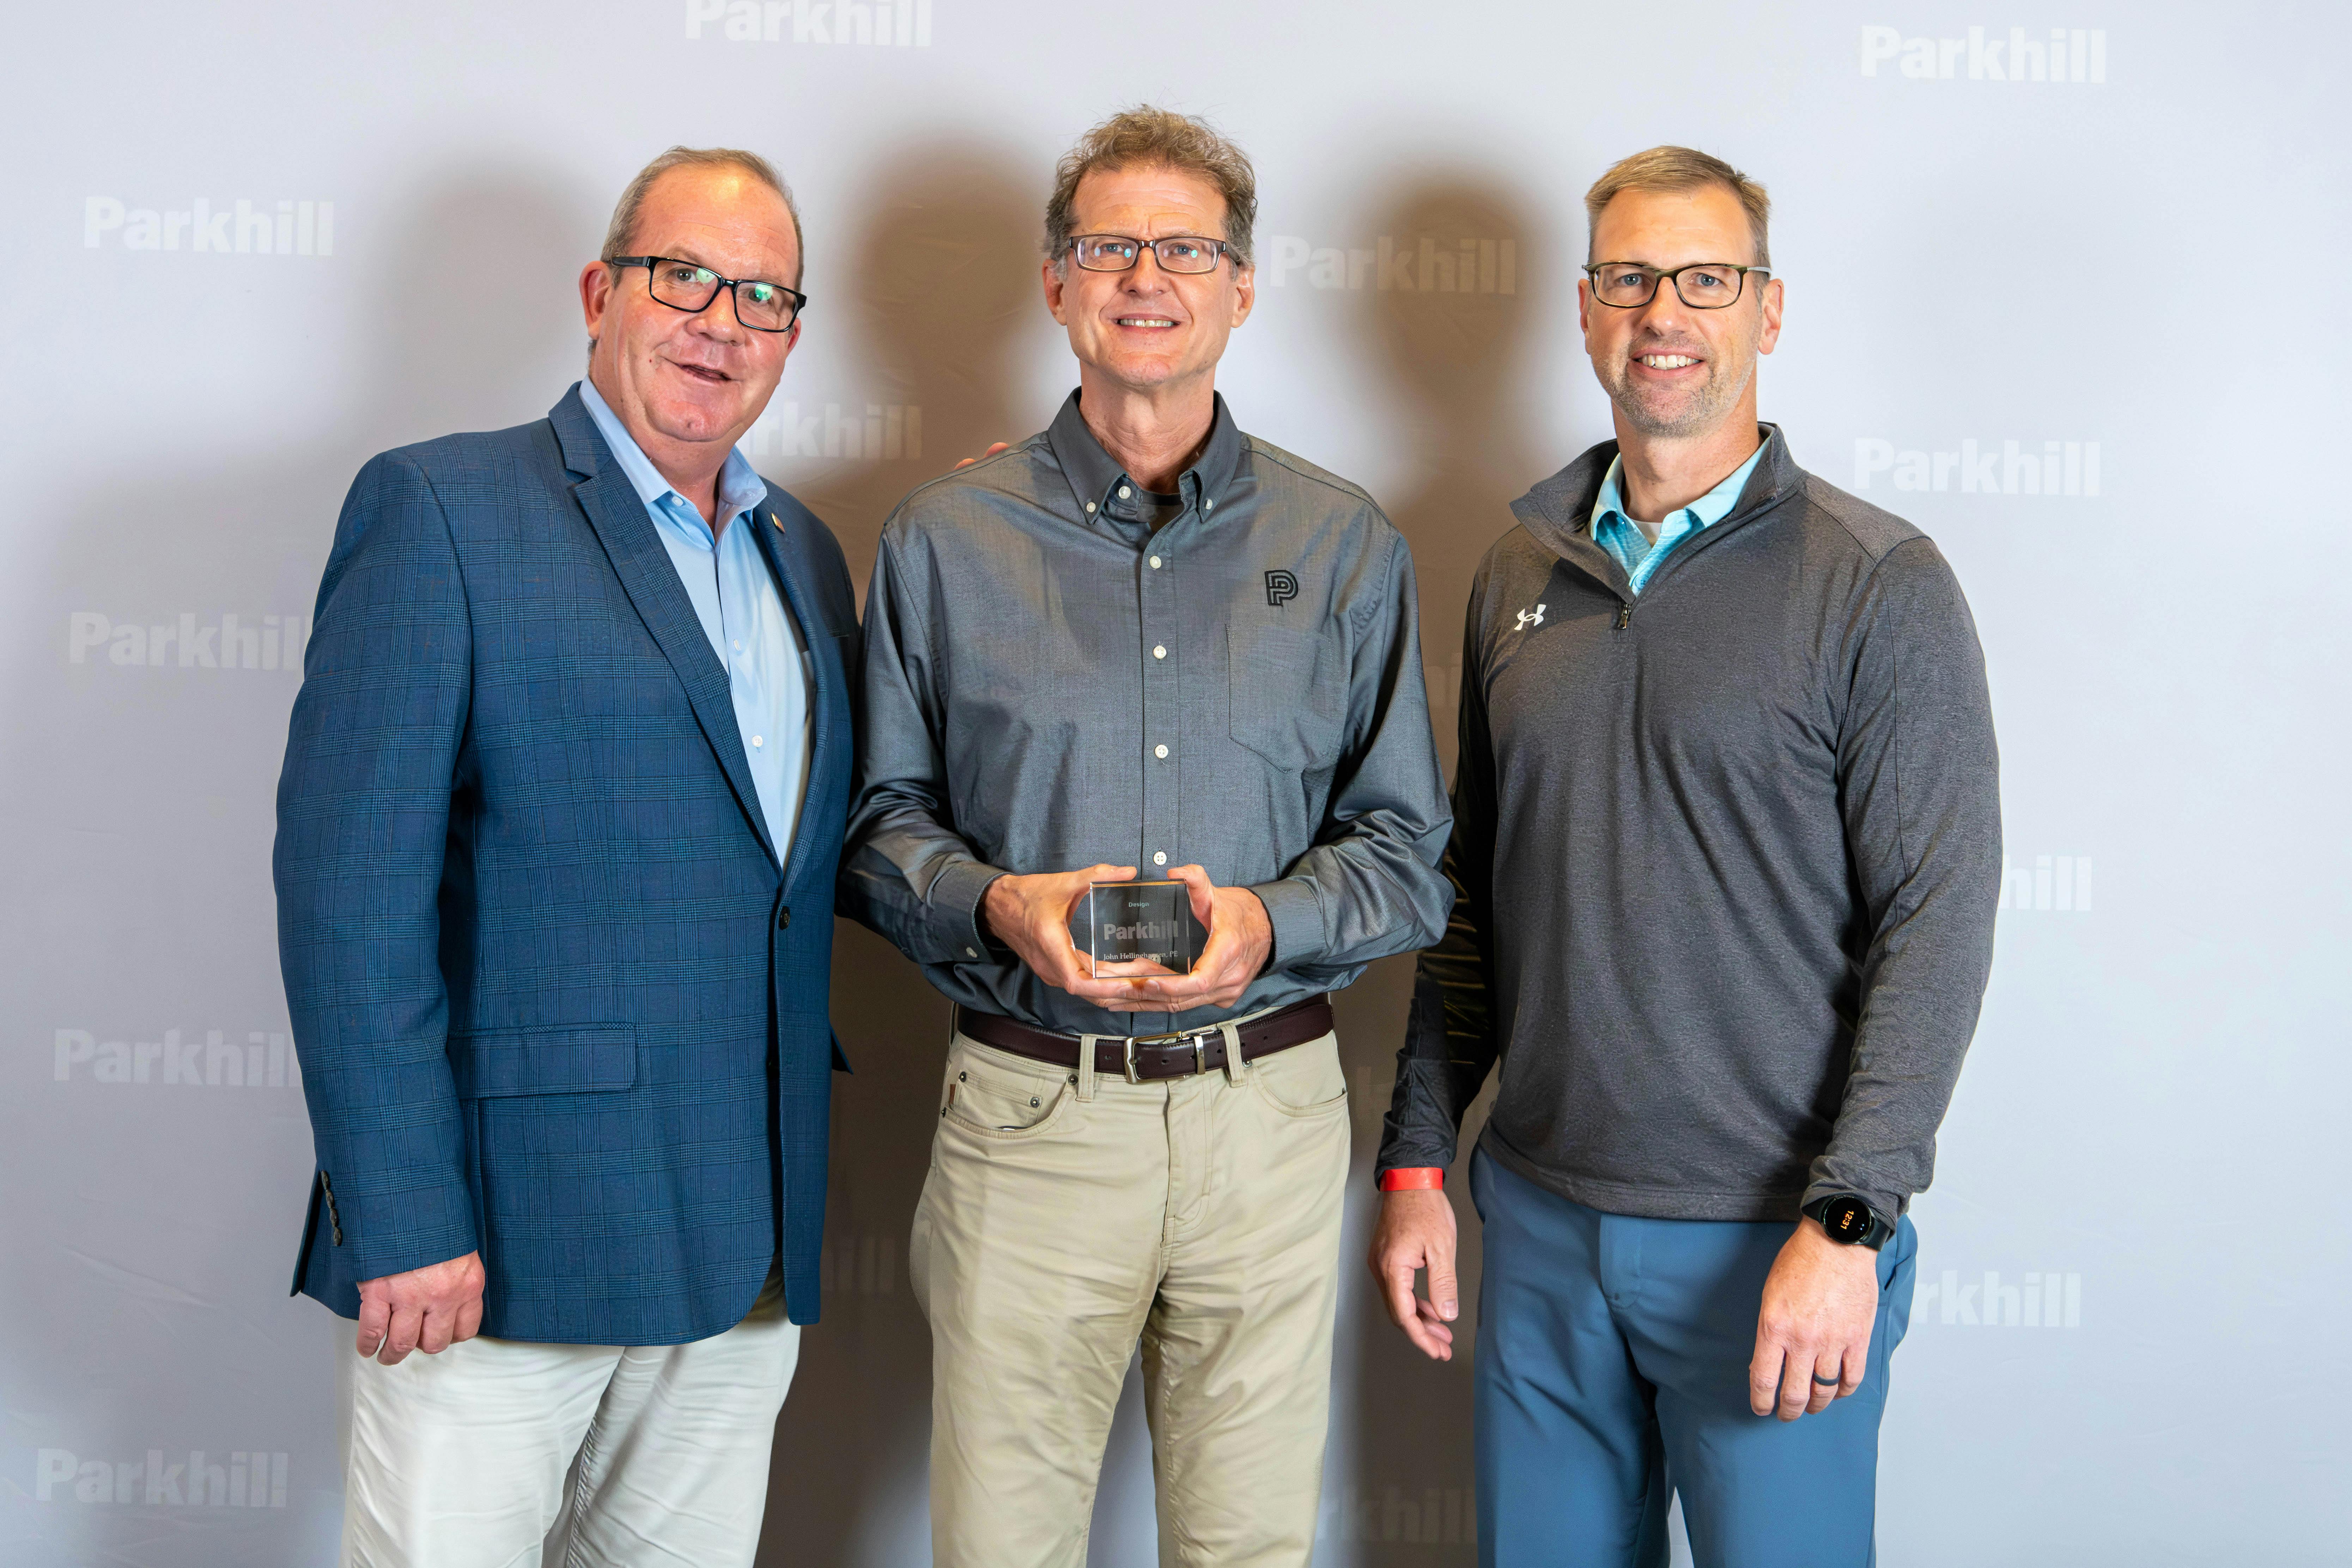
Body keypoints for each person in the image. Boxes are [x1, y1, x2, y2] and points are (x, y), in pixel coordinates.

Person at [1368, 146, 2000, 1567]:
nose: (1666, 312)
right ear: (1586, 309)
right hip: (1539, 1224)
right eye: (1632, 278)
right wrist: (1416, 1160)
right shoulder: (1516, 571)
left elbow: (1938, 921)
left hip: (1772, 1239)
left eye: (1707, 279)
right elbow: (1470, 897)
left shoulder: (1878, 583)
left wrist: (1851, 1219)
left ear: (1768, 310)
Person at [842, 107, 1452, 1568]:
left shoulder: (1346, 545)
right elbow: (873, 831)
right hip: (1030, 1118)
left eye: (1186, 248)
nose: (1146, 277)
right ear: (1055, 281)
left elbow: (1407, 854)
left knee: (1248, 1552)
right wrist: (997, 905)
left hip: (1269, 1120)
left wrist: (1268, 924)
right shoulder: (942, 540)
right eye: (1111, 245)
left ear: (1242, 286)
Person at [273, 145, 858, 1567]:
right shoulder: (442, 511)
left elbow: (796, 874)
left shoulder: (807, 554)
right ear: (602, 293)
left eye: (763, 296)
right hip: (498, 1243)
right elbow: (349, 899)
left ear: (791, 334)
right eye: (684, 277)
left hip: (744, 1245)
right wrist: (401, 1215)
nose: (720, 322)